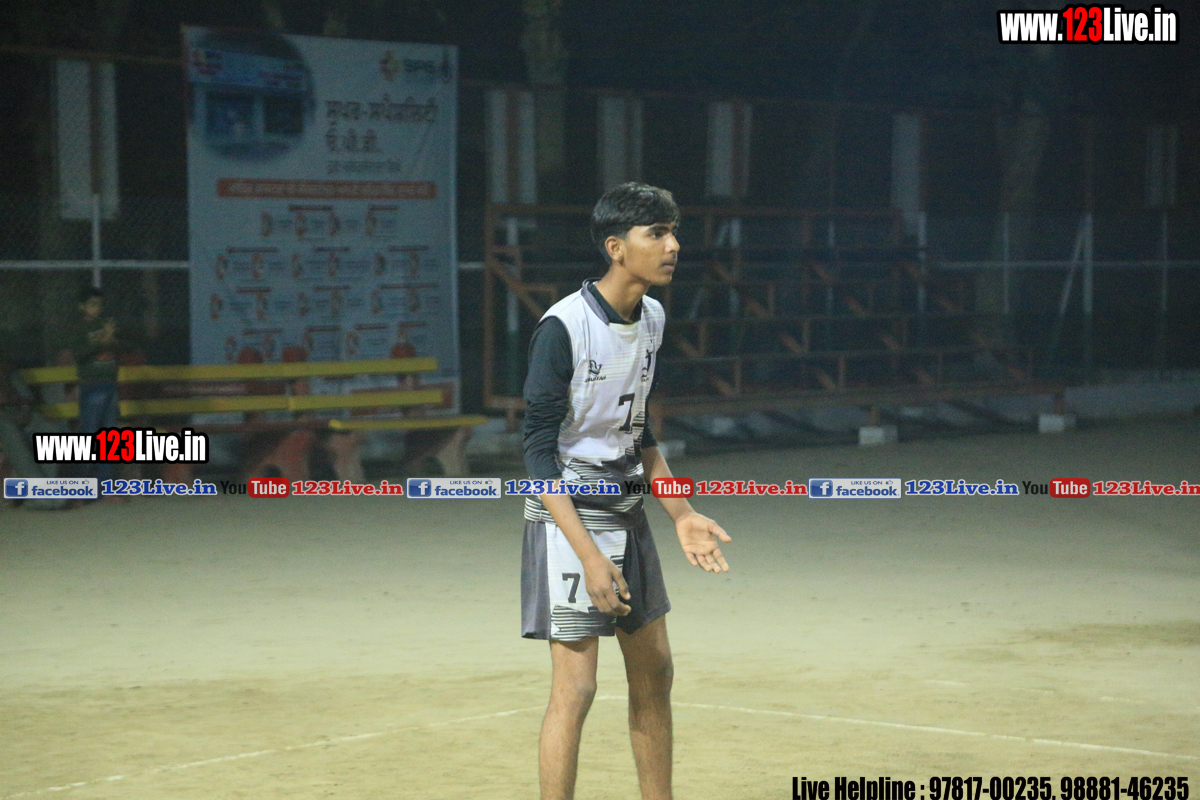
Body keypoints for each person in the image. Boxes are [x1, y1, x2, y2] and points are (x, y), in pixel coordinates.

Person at [521, 182, 731, 800]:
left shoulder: (654, 319)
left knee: (656, 674)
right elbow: (536, 457)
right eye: (656, 234)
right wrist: (588, 556)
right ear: (616, 248)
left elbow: (639, 433)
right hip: (568, 517)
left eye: (674, 232)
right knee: (576, 689)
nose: (673, 246)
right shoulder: (563, 327)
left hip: (628, 508)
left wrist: (682, 513)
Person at [68, 286, 121, 488]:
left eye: (99, 304)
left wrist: (112, 338)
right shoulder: (80, 328)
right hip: (92, 384)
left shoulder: (104, 325)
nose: (97, 308)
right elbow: (80, 354)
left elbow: (117, 349)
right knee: (89, 433)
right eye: (92, 304)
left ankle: (105, 485)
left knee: (110, 436)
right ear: (81, 306)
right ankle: (82, 485)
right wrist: (102, 340)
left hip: (109, 385)